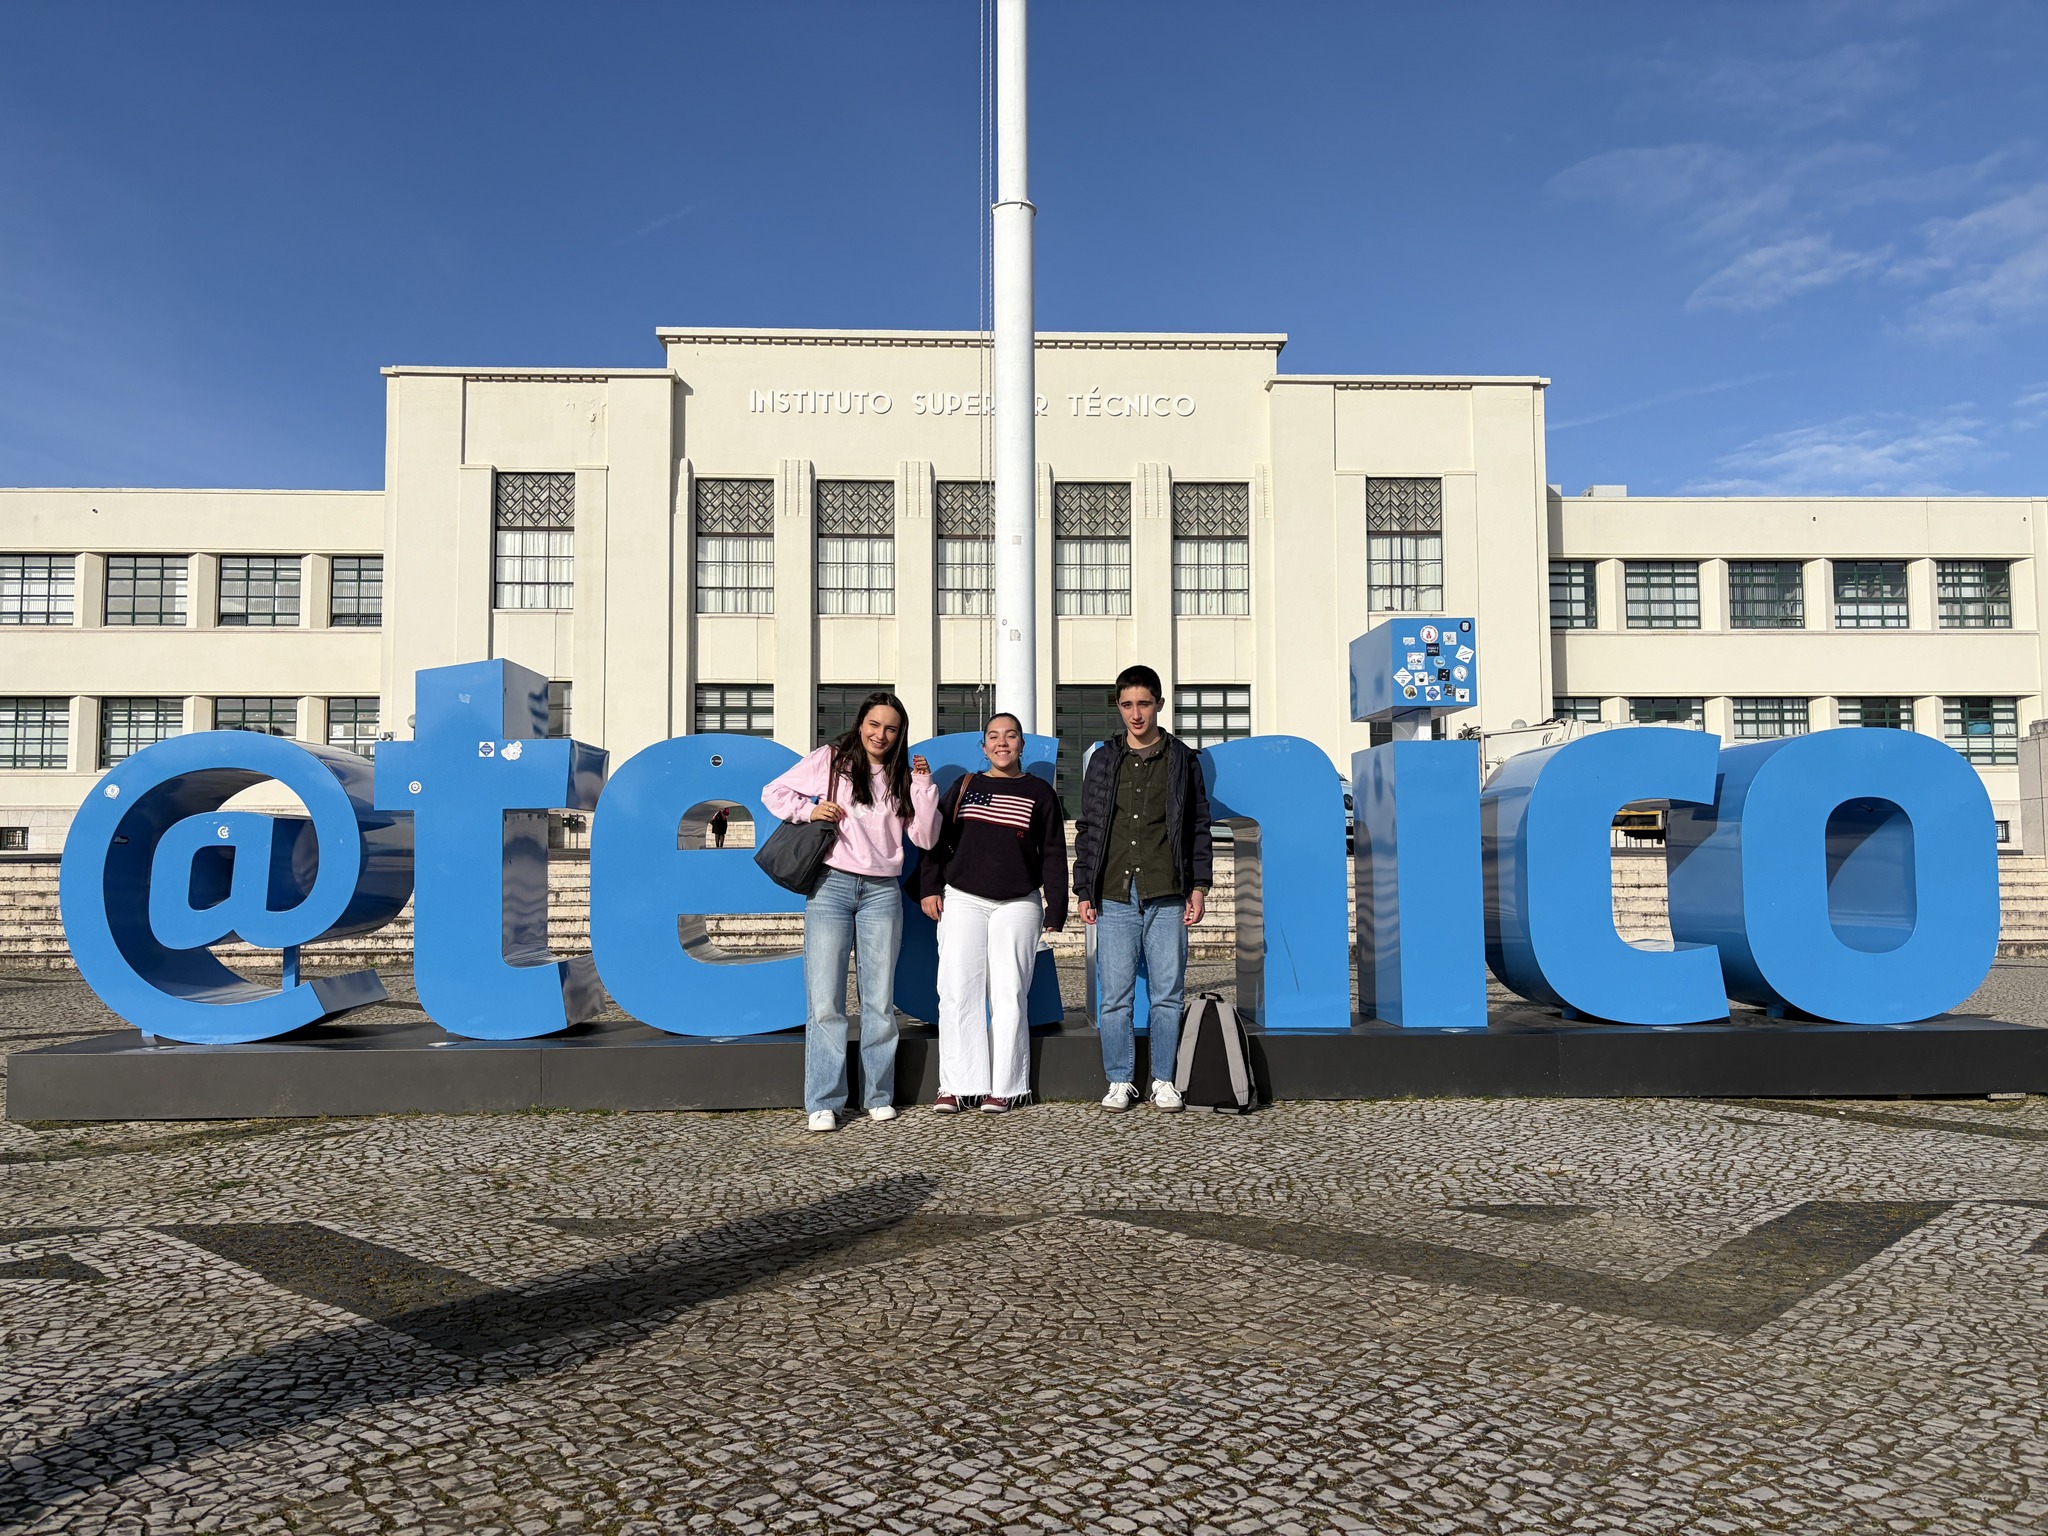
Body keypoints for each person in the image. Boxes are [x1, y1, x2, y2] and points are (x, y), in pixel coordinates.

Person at [763, 692, 939, 1132]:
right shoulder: (832, 760)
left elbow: (927, 837)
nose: (881, 734)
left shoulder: (902, 776)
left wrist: (923, 788)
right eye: (874, 724)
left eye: (891, 728)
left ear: (901, 734)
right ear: (861, 724)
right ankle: (824, 1100)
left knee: (879, 1001)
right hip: (831, 886)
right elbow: (773, 791)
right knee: (825, 1000)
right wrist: (807, 809)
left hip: (882, 891)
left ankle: (879, 1095)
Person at [1071, 665, 1213, 1113]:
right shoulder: (1104, 759)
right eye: (1128, 704)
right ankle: (1119, 1079)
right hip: (1114, 891)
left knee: (1168, 992)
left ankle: (1163, 1079)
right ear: (1119, 706)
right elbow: (1089, 826)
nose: (1136, 714)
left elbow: (1197, 826)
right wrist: (1083, 889)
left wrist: (1200, 887)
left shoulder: (1182, 759)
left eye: (1144, 704)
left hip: (1167, 890)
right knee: (1115, 994)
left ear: (1159, 705)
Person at [917, 714, 1068, 1115]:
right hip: (963, 898)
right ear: (983, 747)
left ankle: (1005, 1087)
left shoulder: (1040, 792)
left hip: (1018, 902)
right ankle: (956, 1085)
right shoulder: (964, 786)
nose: (1003, 743)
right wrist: (929, 887)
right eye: (994, 737)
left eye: (1011, 736)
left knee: (1009, 994)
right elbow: (936, 838)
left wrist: (1057, 904)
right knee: (956, 990)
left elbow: (1053, 852)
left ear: (1022, 745)